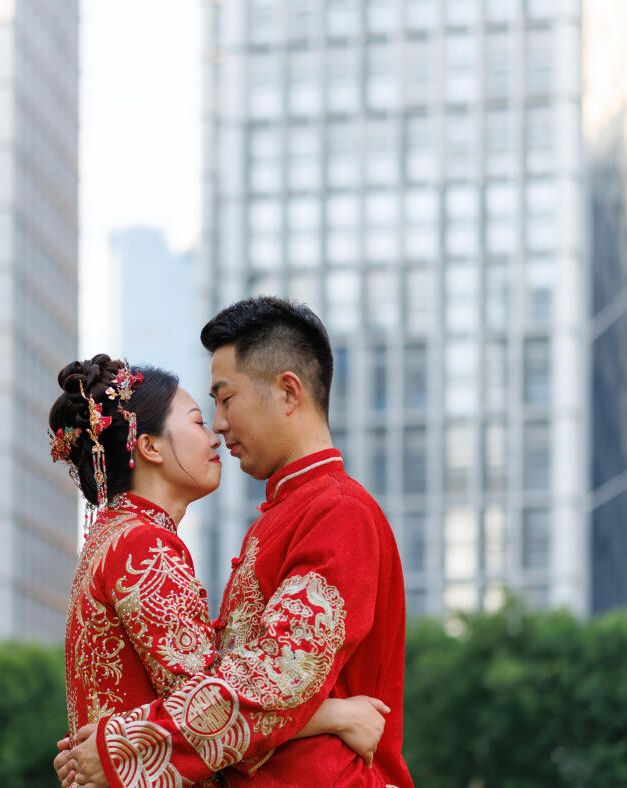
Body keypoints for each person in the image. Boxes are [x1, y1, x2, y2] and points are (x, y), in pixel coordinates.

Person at [58, 299, 414, 788]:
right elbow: (224, 682)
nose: (219, 427)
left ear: (288, 392)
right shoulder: (274, 518)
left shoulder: (338, 512)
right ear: (148, 447)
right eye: (205, 414)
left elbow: (279, 674)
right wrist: (337, 714)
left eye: (224, 401)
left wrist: (122, 747)